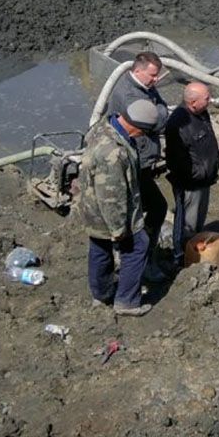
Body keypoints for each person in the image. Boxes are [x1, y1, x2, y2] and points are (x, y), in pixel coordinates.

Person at [77, 100, 161, 316]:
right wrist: (118, 229)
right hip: (108, 212)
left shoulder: (104, 127)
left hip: (91, 207)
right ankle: (127, 301)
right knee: (138, 246)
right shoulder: (113, 153)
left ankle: (101, 294)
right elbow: (111, 196)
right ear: (137, 127)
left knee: (99, 248)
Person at [105, 52, 170, 261]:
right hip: (134, 162)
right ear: (138, 70)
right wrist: (158, 112)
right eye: (152, 75)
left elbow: (161, 109)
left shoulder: (145, 86)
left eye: (157, 75)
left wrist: (158, 111)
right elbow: (156, 121)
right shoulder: (129, 95)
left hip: (143, 159)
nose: (156, 79)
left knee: (146, 207)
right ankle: (136, 252)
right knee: (155, 207)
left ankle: (141, 247)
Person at [164, 82, 219, 267]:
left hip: (204, 180)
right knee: (187, 223)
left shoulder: (201, 113)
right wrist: (199, 174)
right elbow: (177, 161)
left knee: (198, 220)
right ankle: (181, 256)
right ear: (193, 102)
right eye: (206, 98)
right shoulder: (178, 124)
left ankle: (195, 251)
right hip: (190, 184)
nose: (210, 100)